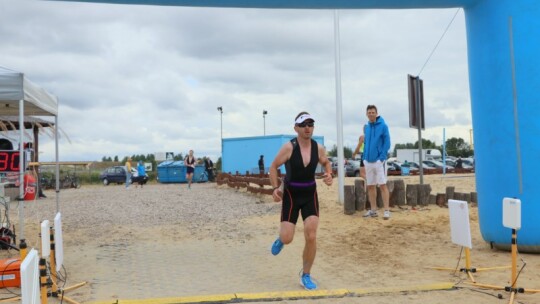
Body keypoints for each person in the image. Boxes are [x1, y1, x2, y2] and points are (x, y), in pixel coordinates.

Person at [268, 112, 333, 291]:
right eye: (303, 124)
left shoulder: (318, 148)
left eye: (310, 124)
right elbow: (273, 166)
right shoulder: (289, 147)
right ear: (296, 128)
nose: (307, 128)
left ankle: (305, 274)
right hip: (291, 194)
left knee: (311, 235)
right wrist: (275, 188)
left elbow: (326, 163)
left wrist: (329, 175)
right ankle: (281, 239)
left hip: (309, 193)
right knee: (288, 238)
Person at [362, 105, 391, 220]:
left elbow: (387, 143)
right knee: (370, 186)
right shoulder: (367, 127)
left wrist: (382, 158)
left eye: (373, 112)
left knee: (383, 185)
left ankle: (387, 210)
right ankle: (373, 210)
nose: (371, 114)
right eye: (369, 112)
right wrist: (364, 157)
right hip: (368, 161)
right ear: (366, 114)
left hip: (379, 161)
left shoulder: (383, 126)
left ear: (376, 113)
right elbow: (366, 143)